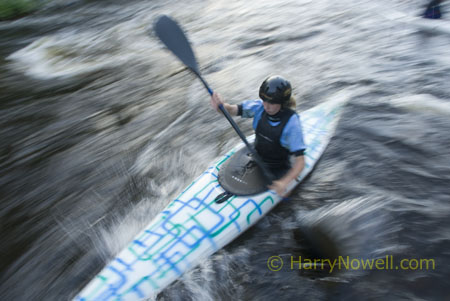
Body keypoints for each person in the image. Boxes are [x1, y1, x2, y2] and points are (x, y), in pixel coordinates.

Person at [210, 75, 306, 197]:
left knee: (290, 195)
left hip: (279, 167)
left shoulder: (292, 123)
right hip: (257, 158)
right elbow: (232, 110)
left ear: (282, 102)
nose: (266, 106)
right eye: (264, 100)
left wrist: (284, 183)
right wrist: (221, 106)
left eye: (271, 103)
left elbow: (300, 162)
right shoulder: (259, 107)